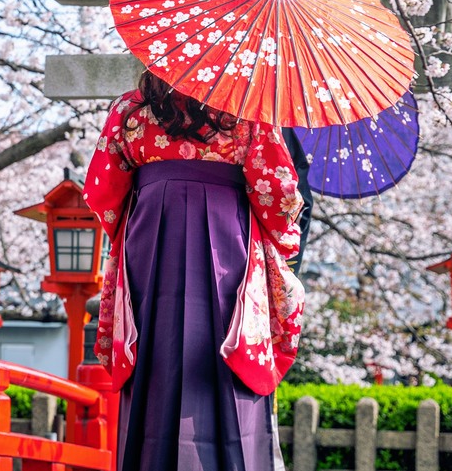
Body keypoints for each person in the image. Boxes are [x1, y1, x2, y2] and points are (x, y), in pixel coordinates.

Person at [84, 72, 306, 471]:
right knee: (229, 343)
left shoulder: (129, 110)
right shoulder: (248, 108)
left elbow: (102, 193)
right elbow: (279, 192)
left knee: (153, 353)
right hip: (227, 243)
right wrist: (283, 238)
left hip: (151, 243)